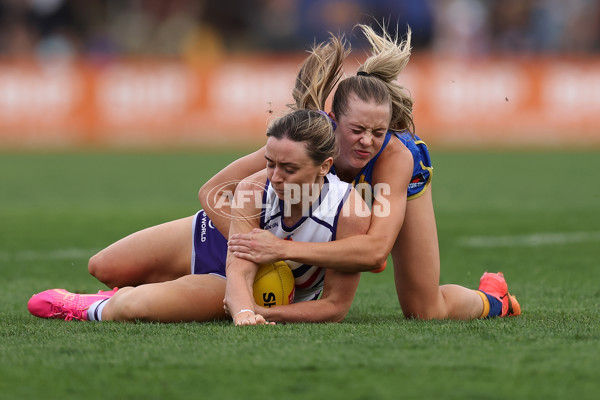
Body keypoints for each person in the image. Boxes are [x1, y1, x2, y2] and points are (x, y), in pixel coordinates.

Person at [27, 36, 371, 324]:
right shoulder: (257, 184)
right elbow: (213, 200)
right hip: (221, 239)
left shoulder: (347, 210)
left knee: (133, 307)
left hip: (260, 283)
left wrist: (258, 310)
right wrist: (251, 251)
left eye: (289, 169)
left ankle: (91, 307)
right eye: (270, 164)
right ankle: (154, 289)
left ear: (325, 166)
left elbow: (335, 306)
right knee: (102, 266)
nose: (275, 177)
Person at [216, 23, 521, 321]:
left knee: (426, 311)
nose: (367, 141)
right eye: (357, 130)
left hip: (388, 194)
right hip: (345, 202)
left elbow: (375, 253)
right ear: (333, 121)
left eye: (379, 131)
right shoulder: (311, 137)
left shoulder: (397, 158)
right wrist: (250, 248)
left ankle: (494, 299)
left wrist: (280, 249)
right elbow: (213, 191)